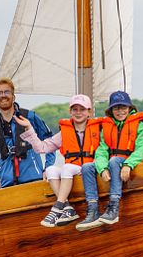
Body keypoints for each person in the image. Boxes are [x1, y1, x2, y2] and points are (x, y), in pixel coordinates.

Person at [15, 94, 102, 227]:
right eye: (75, 109)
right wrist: (29, 128)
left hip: (90, 169)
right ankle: (67, 208)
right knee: (51, 170)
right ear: (70, 111)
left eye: (82, 109)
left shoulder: (98, 130)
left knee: (67, 167)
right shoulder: (64, 133)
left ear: (89, 111)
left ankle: (57, 207)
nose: (78, 113)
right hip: (72, 171)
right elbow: (42, 148)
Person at [77, 91, 143, 230]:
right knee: (86, 167)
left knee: (115, 161)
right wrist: (102, 169)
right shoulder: (107, 127)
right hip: (112, 163)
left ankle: (113, 207)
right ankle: (93, 209)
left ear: (130, 108)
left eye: (123, 107)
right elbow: (101, 151)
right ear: (111, 110)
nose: (120, 111)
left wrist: (128, 165)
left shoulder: (139, 125)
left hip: (129, 163)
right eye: (116, 108)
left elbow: (141, 148)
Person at [0, 78, 55, 189]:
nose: (3, 95)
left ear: (13, 97)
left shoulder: (30, 117)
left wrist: (48, 169)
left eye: (7, 92)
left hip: (34, 180)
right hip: (7, 185)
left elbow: (50, 142)